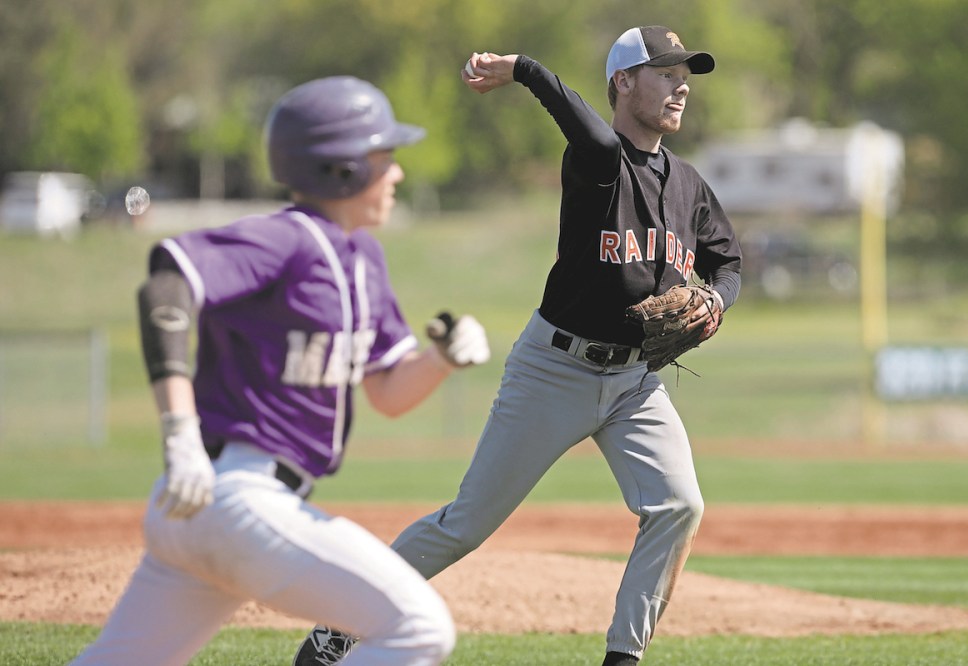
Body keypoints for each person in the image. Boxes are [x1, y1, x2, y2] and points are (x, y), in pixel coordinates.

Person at [295, 25, 742, 666]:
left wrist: (717, 299)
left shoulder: (689, 185)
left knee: (679, 504)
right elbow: (589, 130)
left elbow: (728, 262)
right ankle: (342, 625)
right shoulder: (598, 162)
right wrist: (526, 70)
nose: (681, 87)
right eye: (666, 72)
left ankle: (623, 657)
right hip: (555, 369)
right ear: (623, 82)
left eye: (685, 75)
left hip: (635, 382)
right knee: (466, 525)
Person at [69, 75, 491, 666]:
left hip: (217, 509)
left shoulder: (364, 258)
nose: (396, 172)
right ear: (342, 169)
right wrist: (178, 430)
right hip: (236, 495)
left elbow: (389, 394)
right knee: (419, 627)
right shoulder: (286, 238)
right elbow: (167, 284)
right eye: (384, 157)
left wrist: (439, 361)